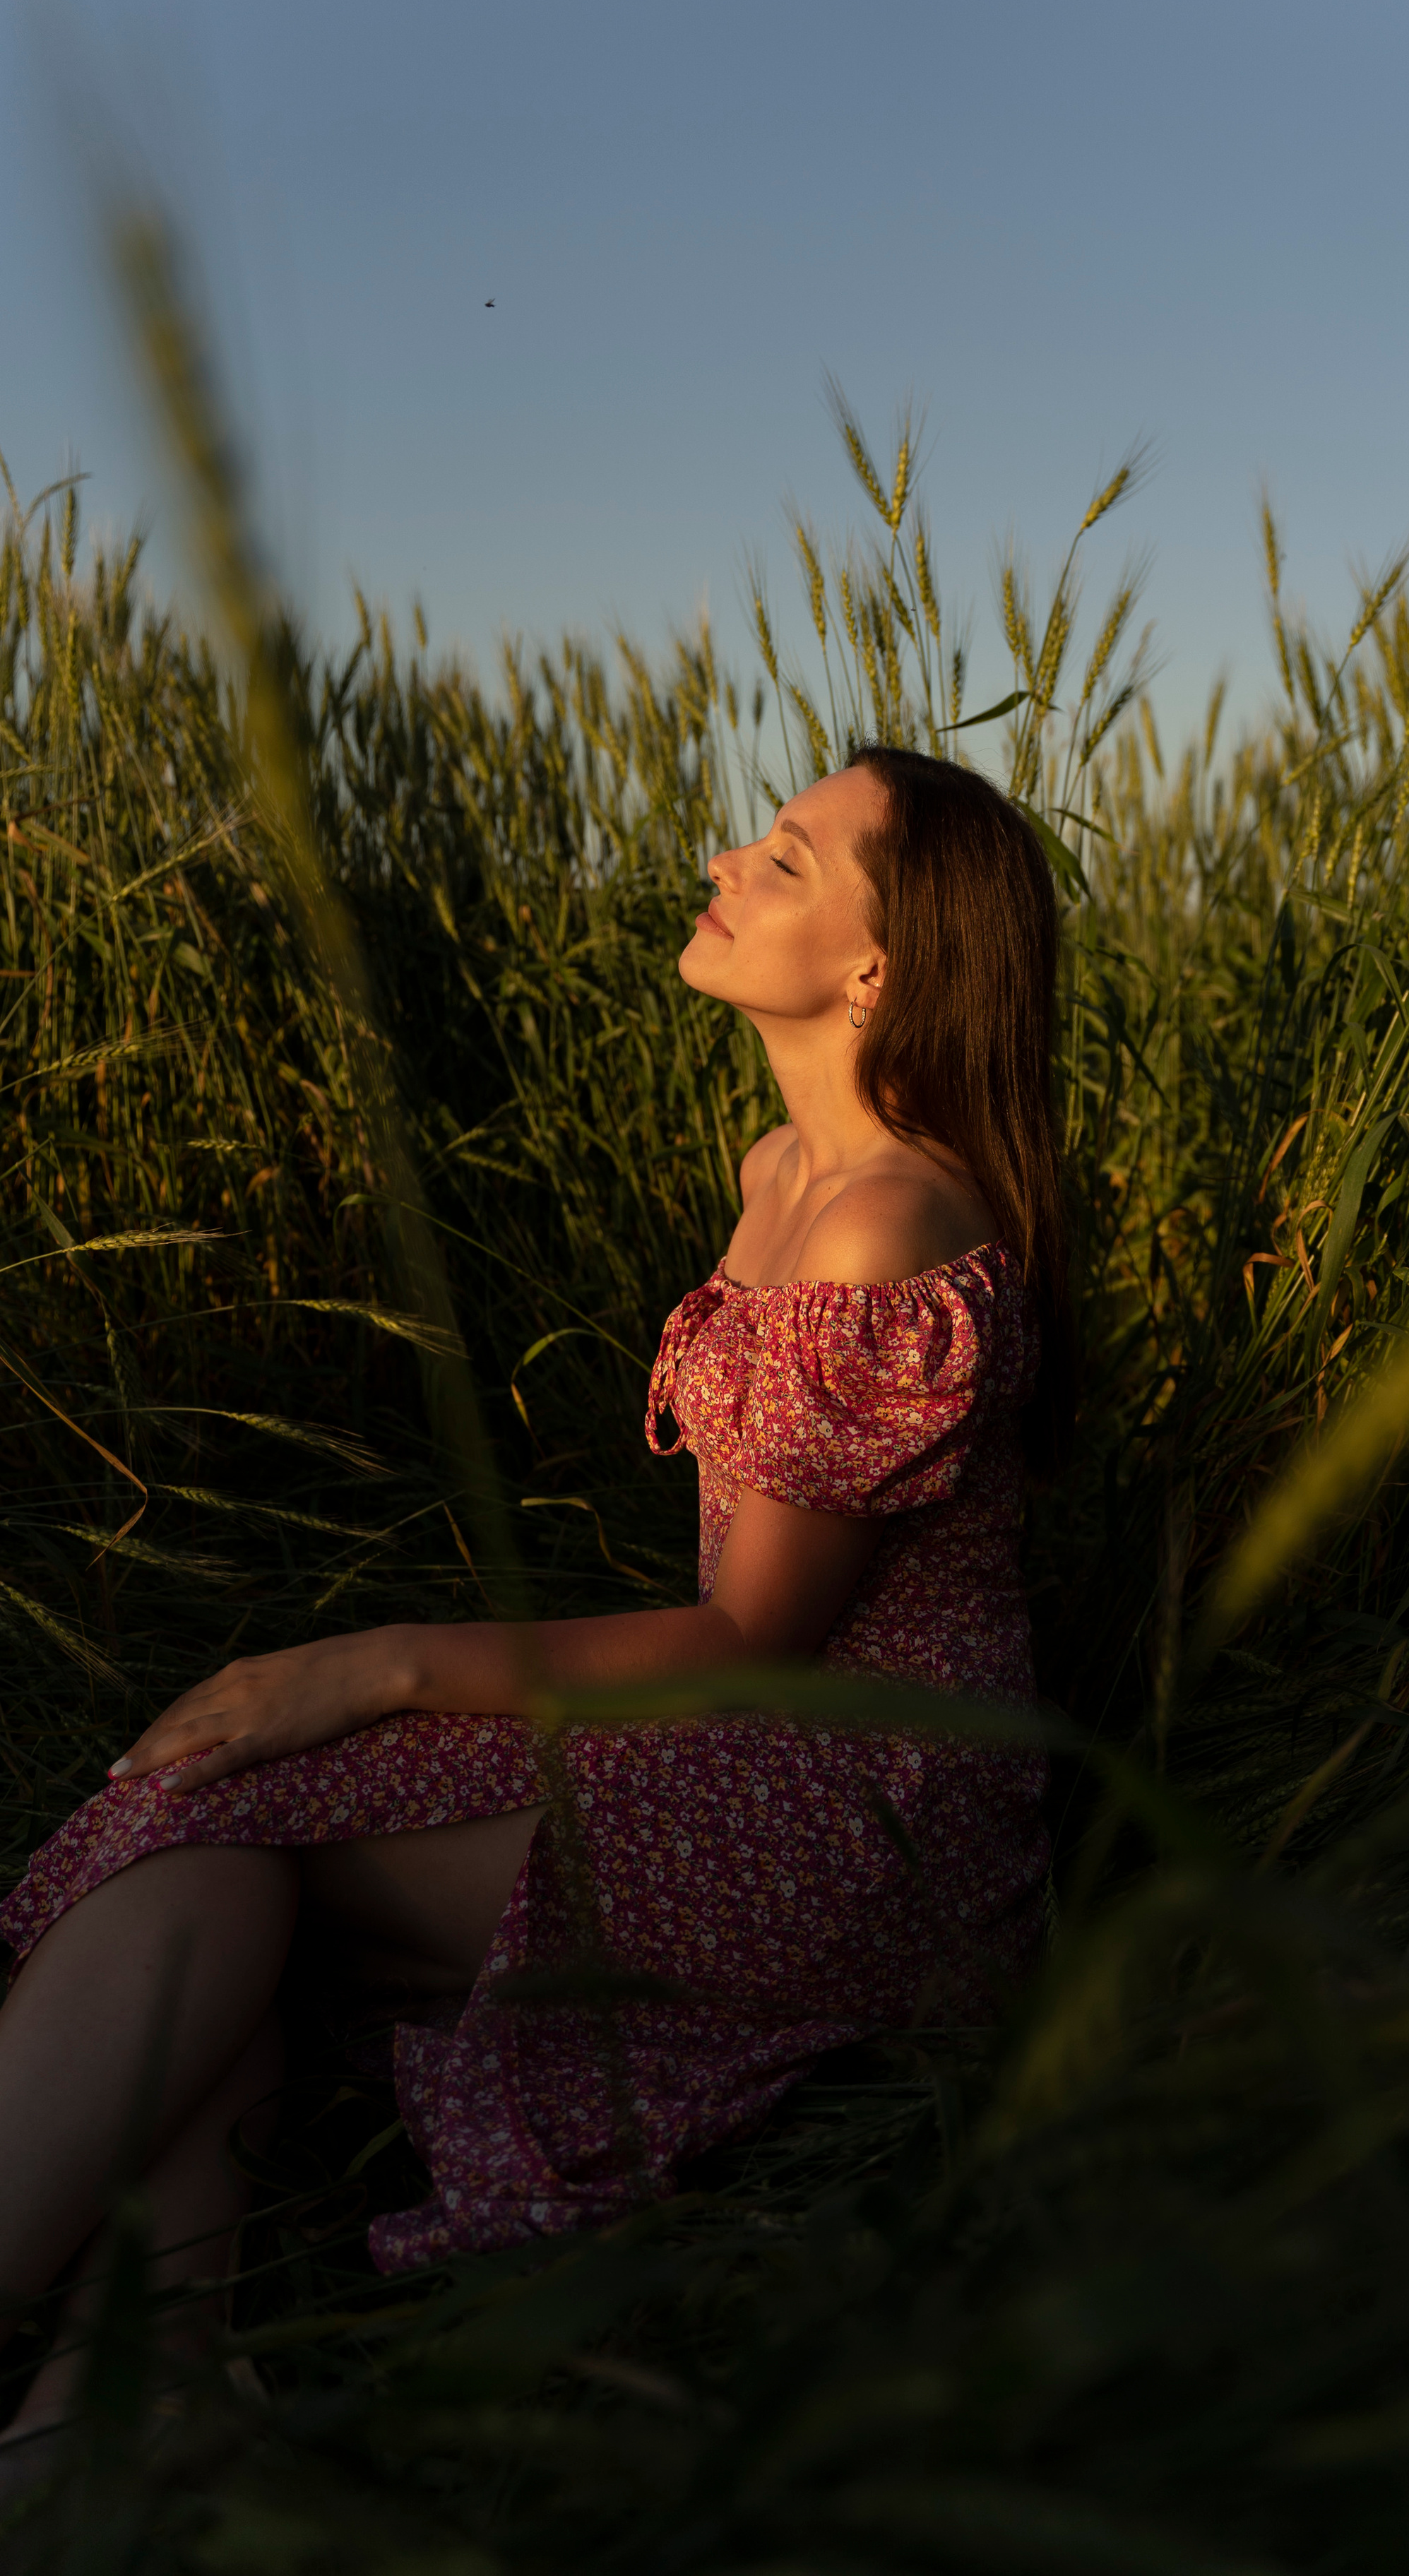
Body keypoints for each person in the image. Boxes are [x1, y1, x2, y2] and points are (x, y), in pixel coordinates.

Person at [0, 745, 1066, 2461]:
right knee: (231, 1832)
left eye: (786, 858)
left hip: (867, 1815)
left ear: (877, 967)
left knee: (230, 1827)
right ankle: (124, 2389)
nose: (726, 857)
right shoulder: (777, 1169)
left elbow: (748, 1640)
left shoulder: (884, 1225)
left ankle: (134, 2376)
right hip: (745, 1759)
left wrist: (374, 1667)